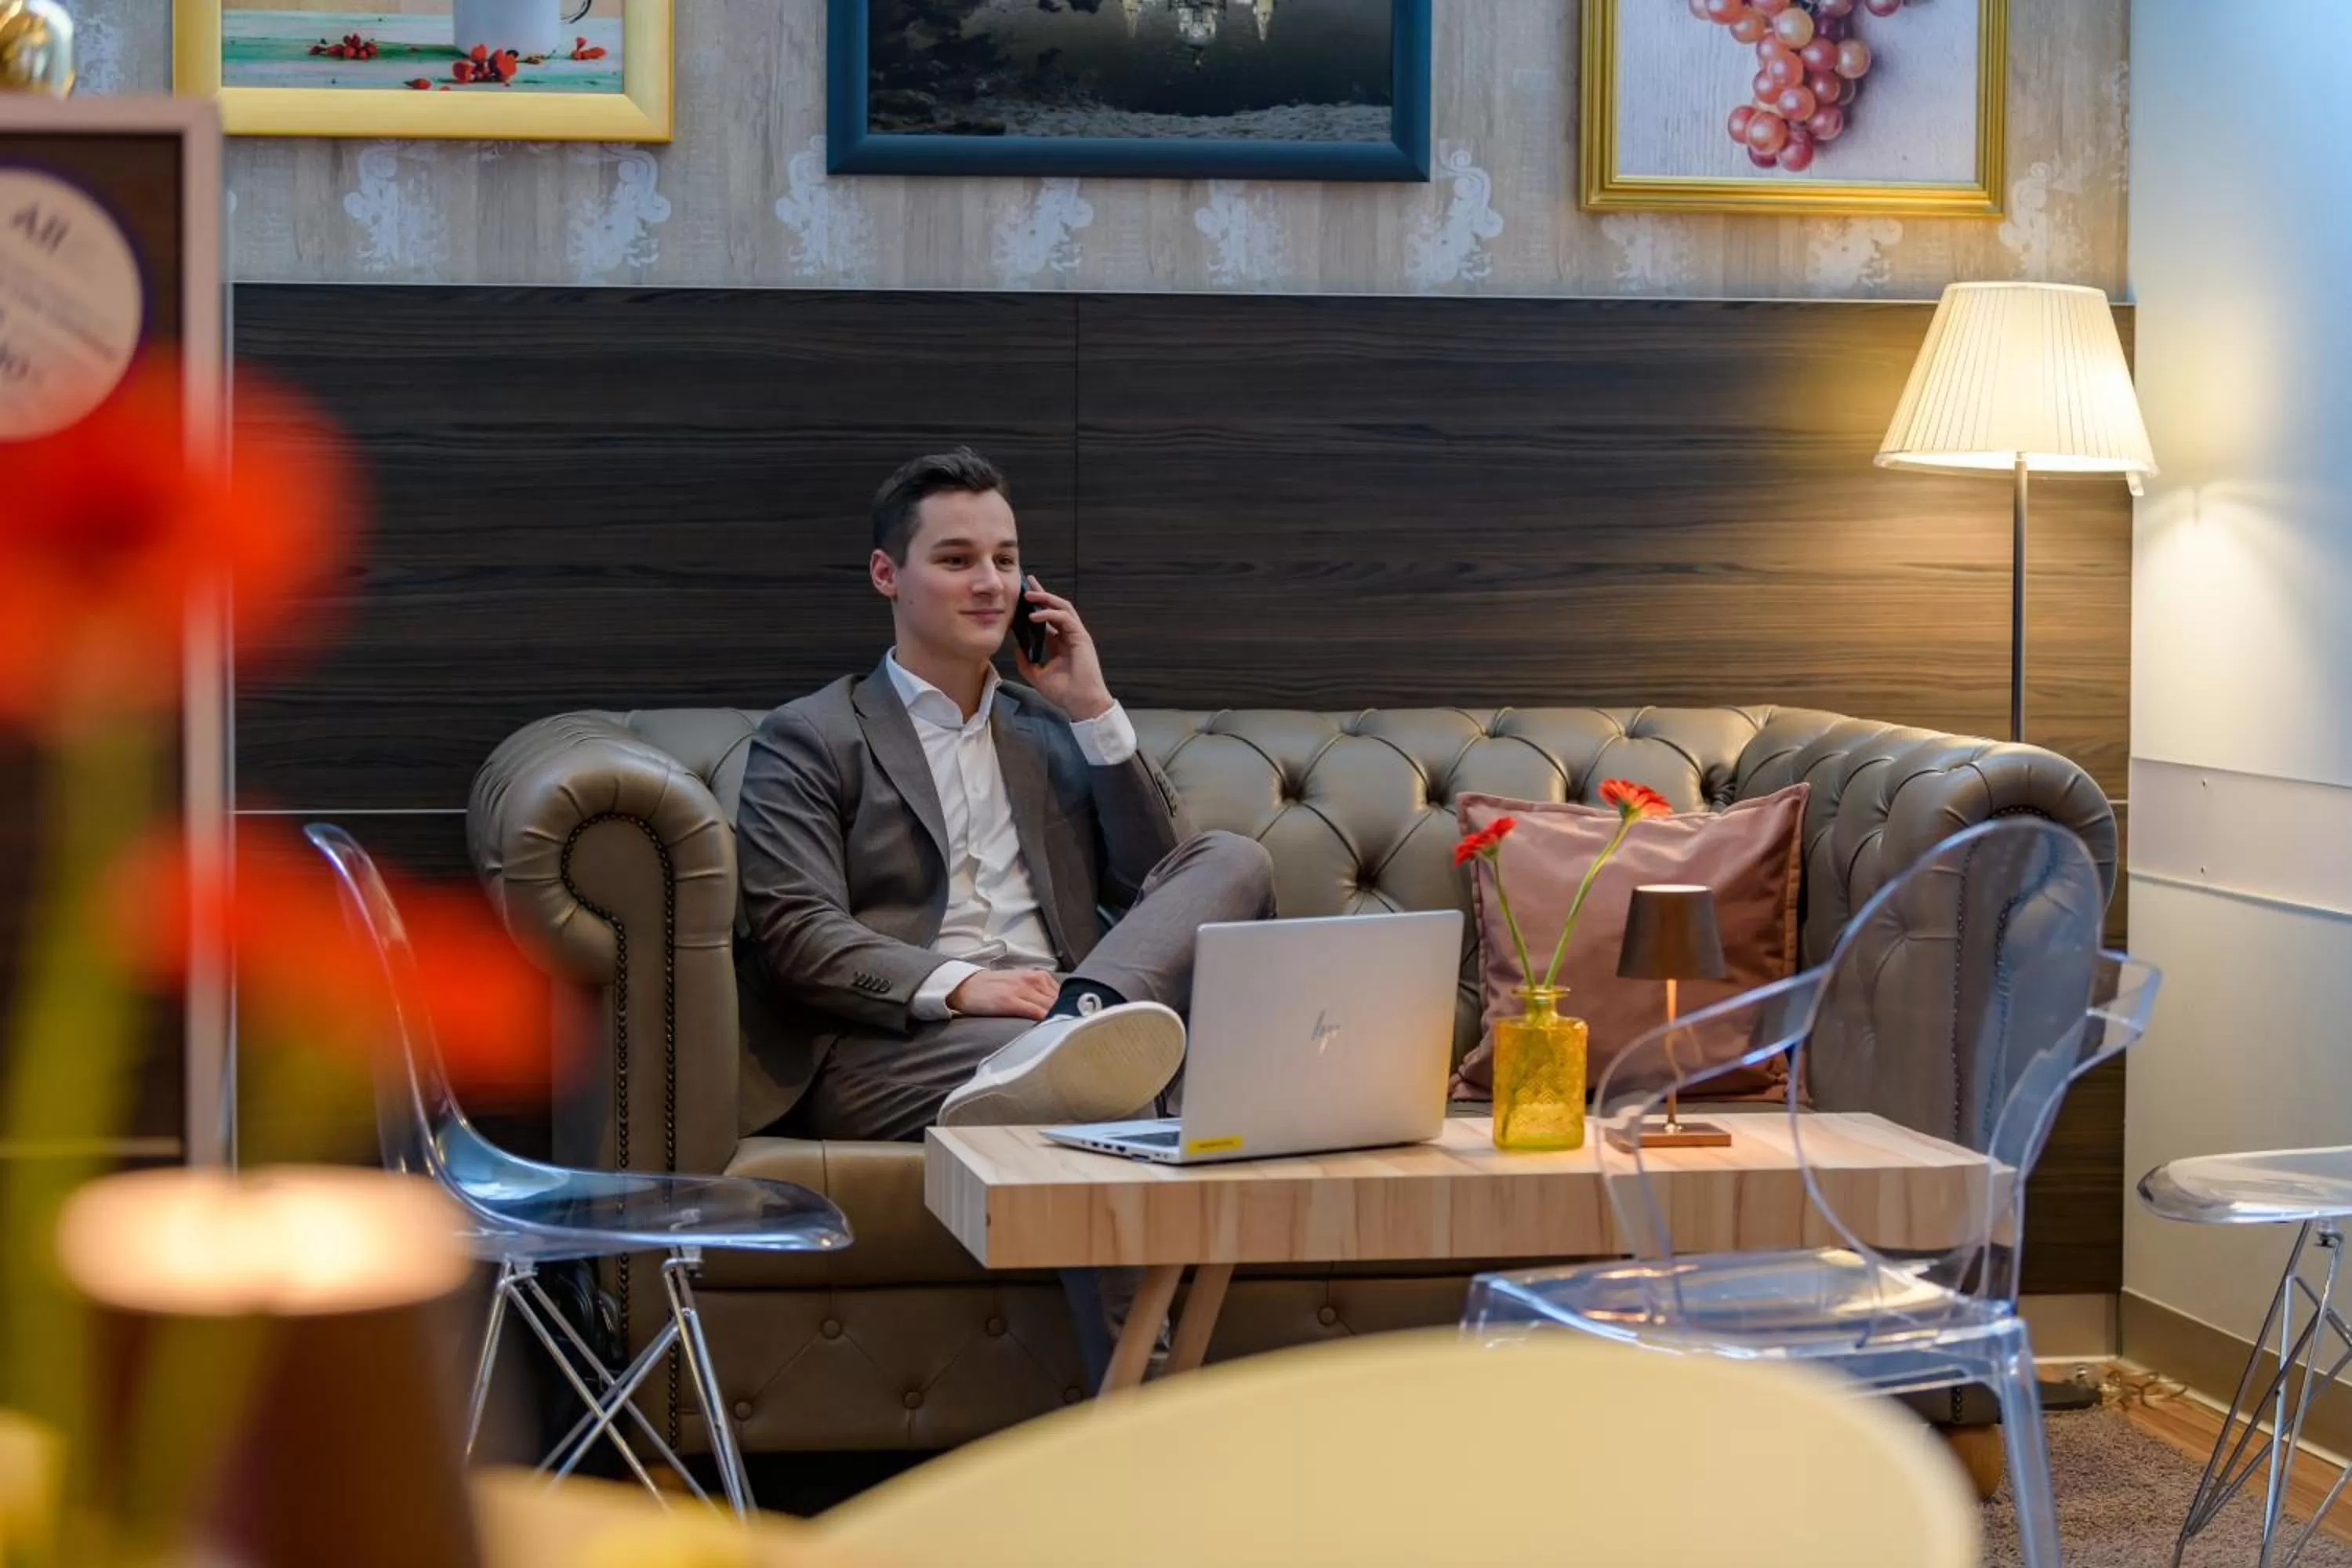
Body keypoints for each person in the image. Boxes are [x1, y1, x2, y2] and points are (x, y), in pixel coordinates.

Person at [735, 448, 1276, 1147]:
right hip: (902, 1046)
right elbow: (798, 934)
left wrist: (1092, 708)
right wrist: (959, 984)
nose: (991, 584)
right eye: (957, 561)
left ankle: (1084, 1027)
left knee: (1234, 859)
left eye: (1006, 560)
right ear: (886, 574)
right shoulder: (810, 735)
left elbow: (1162, 879)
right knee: (1113, 1092)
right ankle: (1090, 1051)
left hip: (1066, 1005)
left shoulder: (1049, 727)